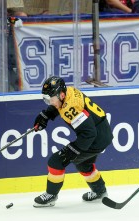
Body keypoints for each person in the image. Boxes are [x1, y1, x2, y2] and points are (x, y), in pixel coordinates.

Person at [33, 76, 113, 207]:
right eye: (46, 100)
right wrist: (46, 115)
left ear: (61, 94)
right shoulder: (67, 92)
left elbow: (89, 134)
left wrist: (73, 150)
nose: (50, 103)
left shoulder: (72, 107)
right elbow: (58, 105)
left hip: (96, 138)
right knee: (83, 164)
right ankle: (100, 192)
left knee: (56, 162)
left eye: (50, 100)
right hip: (101, 132)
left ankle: (51, 195)